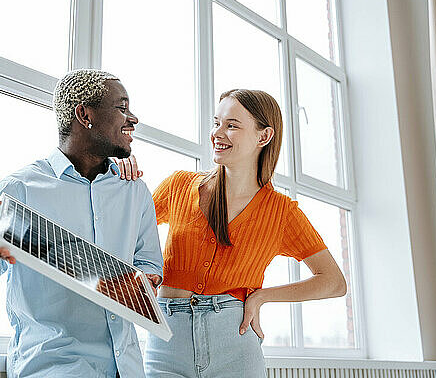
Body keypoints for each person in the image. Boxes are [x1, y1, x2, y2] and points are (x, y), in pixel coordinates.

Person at [116, 89, 348, 377]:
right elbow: (123, 232)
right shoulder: (178, 186)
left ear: (263, 137)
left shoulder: (282, 213)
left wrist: (261, 296)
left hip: (235, 346)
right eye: (217, 123)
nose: (217, 133)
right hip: (167, 344)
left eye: (232, 125)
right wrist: (119, 180)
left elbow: (334, 282)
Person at [0, 69, 163, 378]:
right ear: (84, 114)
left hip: (126, 368)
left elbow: (149, 263)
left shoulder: (133, 190)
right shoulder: (21, 188)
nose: (133, 118)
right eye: (122, 107)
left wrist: (143, 284)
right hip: (52, 368)